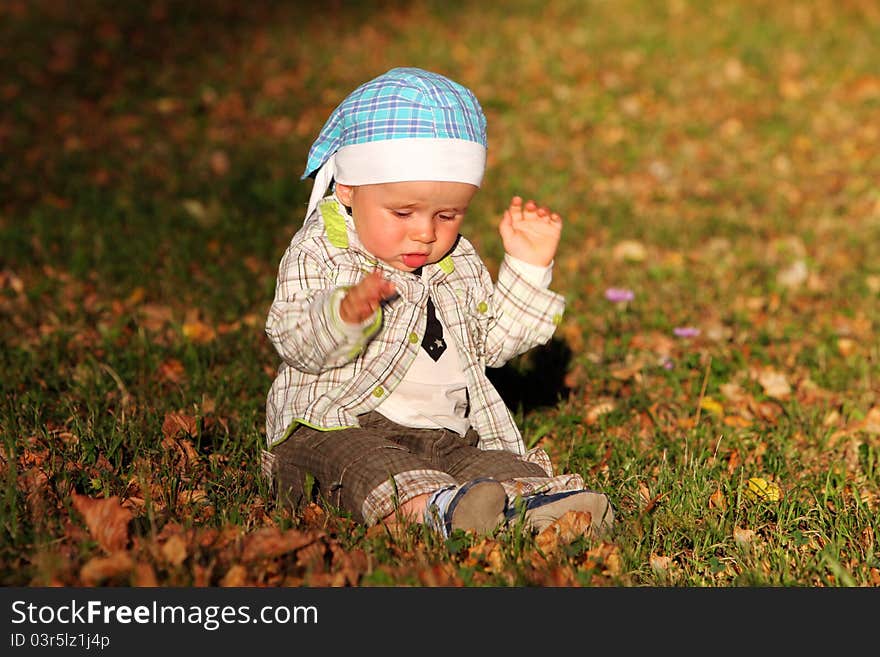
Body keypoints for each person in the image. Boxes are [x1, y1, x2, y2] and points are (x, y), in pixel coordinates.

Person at [262, 67, 613, 539]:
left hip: (447, 437)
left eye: (447, 215)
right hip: (336, 425)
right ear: (348, 188)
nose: (426, 232)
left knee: (497, 465)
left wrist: (528, 268)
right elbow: (294, 340)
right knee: (368, 466)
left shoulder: (457, 260)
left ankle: (533, 510)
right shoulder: (322, 250)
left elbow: (492, 344)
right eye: (402, 212)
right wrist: (343, 315)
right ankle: (437, 512)